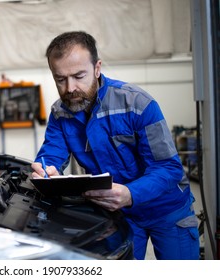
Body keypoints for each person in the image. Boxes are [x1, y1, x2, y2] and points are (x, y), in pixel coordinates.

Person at [31, 31, 200, 260]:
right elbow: (50, 155)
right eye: (60, 79)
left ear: (97, 68)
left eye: (79, 76)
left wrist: (131, 193)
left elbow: (168, 168)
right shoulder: (60, 114)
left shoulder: (137, 103)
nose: (70, 88)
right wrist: (45, 170)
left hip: (167, 210)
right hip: (119, 213)